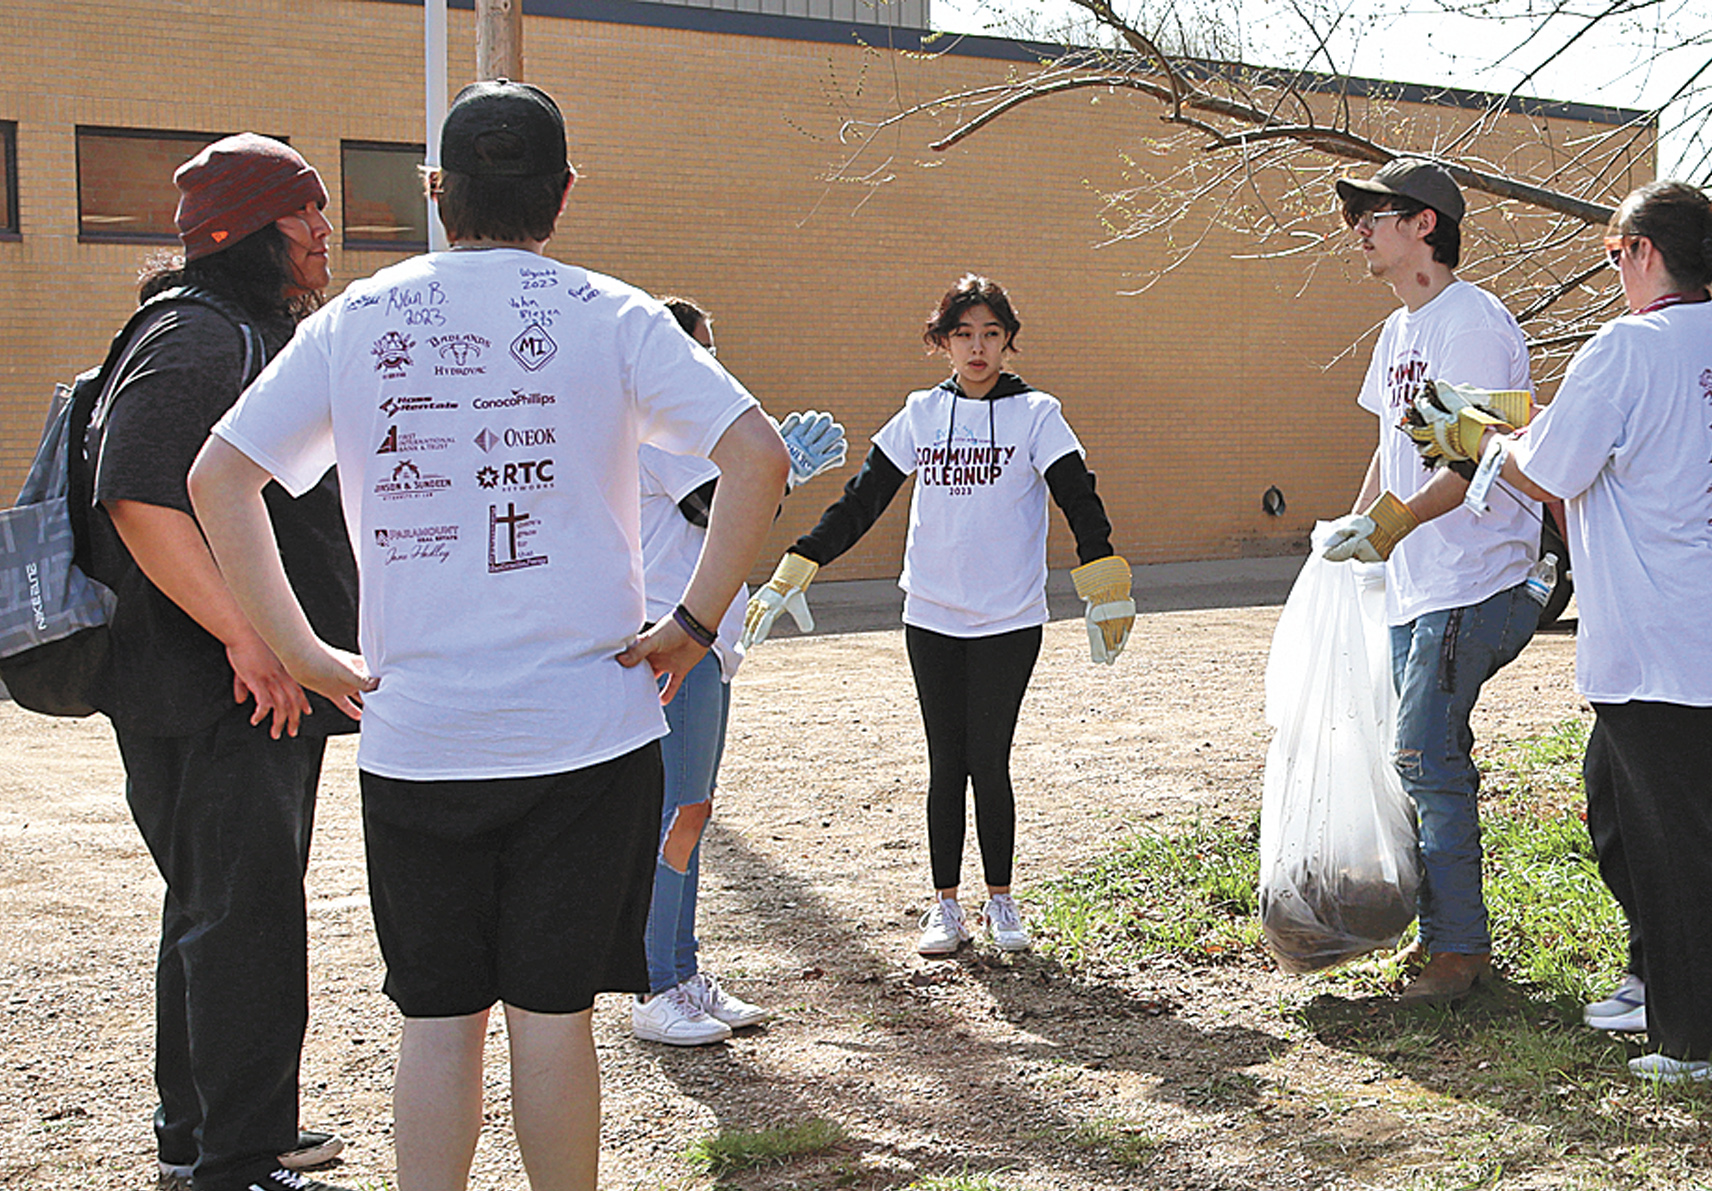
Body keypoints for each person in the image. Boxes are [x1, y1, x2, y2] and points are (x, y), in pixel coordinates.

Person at [187, 82, 789, 1189]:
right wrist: (694, 624)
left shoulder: (357, 320)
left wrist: (300, 651)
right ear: (562, 193)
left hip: (419, 737)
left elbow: (218, 475)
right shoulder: (614, 315)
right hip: (589, 734)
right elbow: (758, 453)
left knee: (438, 1020)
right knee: (554, 1019)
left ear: (437, 190)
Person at [1355, 180, 1712, 1081]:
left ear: (1638, 253)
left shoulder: (1628, 346)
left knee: (1675, 831)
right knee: (1621, 803)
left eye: (1612, 256)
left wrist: (1475, 435)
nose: (1611, 273)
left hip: (1663, 633)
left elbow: (1549, 470)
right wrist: (1501, 433)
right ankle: (1656, 979)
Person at [82, 133, 356, 1191]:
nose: (325, 235)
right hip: (223, 690)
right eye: (308, 215)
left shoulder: (223, 330)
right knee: (244, 918)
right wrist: (253, 638)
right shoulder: (200, 337)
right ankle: (241, 1159)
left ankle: (199, 1132)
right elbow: (140, 492)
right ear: (252, 229)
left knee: (214, 908)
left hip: (222, 687)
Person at [741, 274, 1134, 959]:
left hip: (1008, 618)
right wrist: (800, 561)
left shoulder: (1038, 414)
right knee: (945, 761)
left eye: (990, 334)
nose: (977, 348)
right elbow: (863, 499)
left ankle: (1002, 901)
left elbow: (1078, 494)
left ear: (1009, 341)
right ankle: (946, 904)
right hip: (930, 613)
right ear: (942, 342)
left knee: (991, 758)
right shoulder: (922, 412)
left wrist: (1104, 580)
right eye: (962, 334)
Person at [1319, 158, 1543, 1005]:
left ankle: (1459, 954)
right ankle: (1444, 935)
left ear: (1425, 226)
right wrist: (1352, 528)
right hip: (1419, 583)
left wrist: (1393, 523)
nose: (1359, 230)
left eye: (1375, 214)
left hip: (1477, 575)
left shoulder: (1472, 321)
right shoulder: (1398, 333)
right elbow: (1395, 452)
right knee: (1421, 754)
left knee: (1425, 751)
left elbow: (1477, 457)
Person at [631, 296, 846, 1045]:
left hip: (708, 641)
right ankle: (654, 982)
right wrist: (779, 473)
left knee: (694, 809)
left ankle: (683, 970)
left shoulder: (691, 432)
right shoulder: (657, 425)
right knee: (674, 811)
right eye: (702, 354)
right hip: (671, 639)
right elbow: (710, 504)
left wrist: (773, 471)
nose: (714, 369)